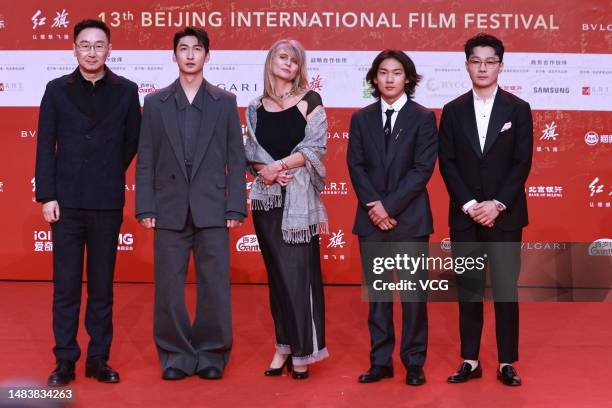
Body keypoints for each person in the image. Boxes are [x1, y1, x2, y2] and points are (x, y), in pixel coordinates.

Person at [135, 27, 246, 381]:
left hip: (213, 205)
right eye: (183, 49)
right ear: (173, 56)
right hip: (168, 207)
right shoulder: (154, 103)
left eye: (197, 49)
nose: (190, 55)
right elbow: (146, 158)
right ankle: (176, 355)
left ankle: (212, 352)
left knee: (214, 284)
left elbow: (235, 157)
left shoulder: (224, 101)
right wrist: (146, 207)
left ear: (207, 56)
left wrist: (235, 207)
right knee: (168, 286)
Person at [35, 19, 141, 387]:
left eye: (99, 45)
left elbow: (132, 142)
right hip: (64, 203)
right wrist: (47, 195)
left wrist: (108, 171)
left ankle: (98, 358)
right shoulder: (56, 89)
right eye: (85, 45)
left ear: (109, 49)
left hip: (106, 201)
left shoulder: (127, 91)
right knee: (65, 286)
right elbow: (45, 145)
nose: (92, 51)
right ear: (75, 49)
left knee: (101, 286)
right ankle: (65, 360)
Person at [438, 33, 533, 386]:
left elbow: (522, 162)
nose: (482, 67)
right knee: (469, 289)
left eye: (489, 61)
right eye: (476, 61)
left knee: (506, 289)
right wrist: (469, 204)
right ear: (466, 66)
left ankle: (507, 361)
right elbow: (447, 162)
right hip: (465, 217)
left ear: (500, 66)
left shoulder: (518, 109)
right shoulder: (452, 110)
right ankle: (470, 359)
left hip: (505, 216)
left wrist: (497, 204)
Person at [347, 50, 438, 386]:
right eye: (383, 72)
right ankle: (380, 361)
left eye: (396, 73)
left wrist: (389, 207)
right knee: (379, 295)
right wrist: (375, 206)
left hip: (409, 219)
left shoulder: (423, 117)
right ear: (374, 78)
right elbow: (355, 166)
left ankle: (414, 362)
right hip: (372, 220)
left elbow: (422, 169)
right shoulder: (360, 118)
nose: (389, 78)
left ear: (408, 79)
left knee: (413, 296)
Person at [245, 39, 329, 380]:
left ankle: (303, 350)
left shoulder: (310, 101)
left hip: (297, 202)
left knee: (298, 279)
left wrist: (277, 166)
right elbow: (251, 151)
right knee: (277, 278)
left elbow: (316, 146)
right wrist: (264, 171)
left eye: (295, 61)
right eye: (283, 57)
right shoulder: (255, 106)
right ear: (270, 61)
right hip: (266, 201)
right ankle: (283, 344)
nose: (289, 64)